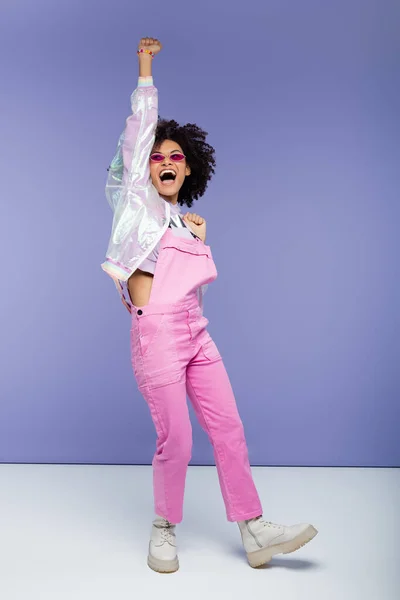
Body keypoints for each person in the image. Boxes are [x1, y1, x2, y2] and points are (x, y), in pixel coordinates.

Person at [102, 37, 318, 573]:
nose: (165, 162)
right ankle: (164, 527)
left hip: (196, 331)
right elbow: (137, 139)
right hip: (157, 336)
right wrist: (146, 71)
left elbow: (188, 281)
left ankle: (253, 528)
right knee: (176, 437)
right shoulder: (136, 203)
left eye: (176, 157)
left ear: (190, 169)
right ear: (144, 170)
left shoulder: (186, 223)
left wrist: (197, 237)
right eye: (158, 158)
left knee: (228, 427)